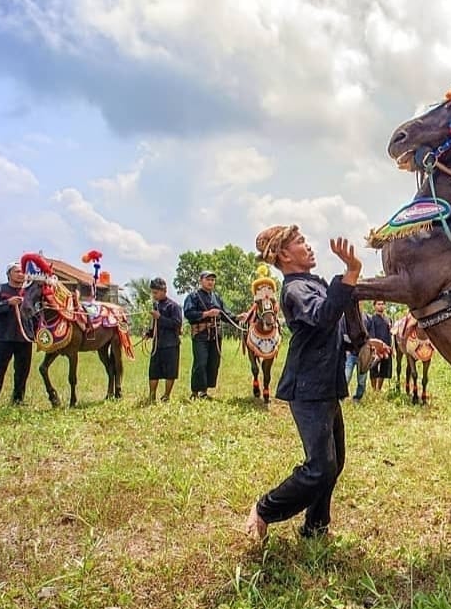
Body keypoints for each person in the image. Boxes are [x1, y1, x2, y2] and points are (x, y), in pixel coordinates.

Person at [244, 224, 369, 541]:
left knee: (333, 463)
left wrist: (360, 346)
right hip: (308, 388)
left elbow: (329, 330)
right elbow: (323, 316)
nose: (308, 246)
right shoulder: (295, 289)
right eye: (300, 242)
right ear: (284, 254)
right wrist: (351, 272)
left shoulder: (312, 285)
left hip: (324, 387)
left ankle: (315, 527)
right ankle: (264, 510)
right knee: (319, 468)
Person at [0, 262, 40, 407]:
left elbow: (36, 315)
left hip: (24, 338)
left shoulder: (29, 293)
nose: (21, 274)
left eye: (23, 272)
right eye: (17, 271)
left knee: (22, 373)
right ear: (9, 274)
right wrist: (8, 303)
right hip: (3, 337)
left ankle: (18, 401)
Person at [182, 270, 238, 399]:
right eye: (208, 279)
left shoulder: (216, 297)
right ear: (201, 280)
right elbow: (188, 313)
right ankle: (195, 392)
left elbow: (225, 314)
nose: (211, 282)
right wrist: (206, 314)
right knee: (200, 362)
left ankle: (204, 391)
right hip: (200, 334)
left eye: (213, 280)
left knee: (213, 363)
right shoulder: (193, 296)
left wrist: (238, 318)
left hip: (215, 335)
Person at [145, 277, 183, 403]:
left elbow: (176, 324)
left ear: (164, 291)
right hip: (158, 344)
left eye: (156, 292)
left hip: (171, 344)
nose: (154, 295)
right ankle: (151, 396)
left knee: (170, 372)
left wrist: (160, 317)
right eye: (153, 292)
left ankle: (166, 395)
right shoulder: (155, 306)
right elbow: (155, 324)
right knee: (153, 371)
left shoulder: (174, 306)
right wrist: (149, 333)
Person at [341, 309, 370, 402]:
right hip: (350, 352)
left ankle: (358, 397)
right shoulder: (344, 318)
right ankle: (341, 397)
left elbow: (371, 335)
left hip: (363, 353)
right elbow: (342, 334)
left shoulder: (367, 318)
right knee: (346, 376)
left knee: (362, 379)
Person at [366, 300, 393, 392]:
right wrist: (374, 347)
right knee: (373, 368)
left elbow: (390, 334)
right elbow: (371, 333)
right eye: (378, 304)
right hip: (376, 348)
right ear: (374, 306)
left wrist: (391, 347)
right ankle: (373, 389)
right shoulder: (372, 319)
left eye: (382, 304)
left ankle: (379, 389)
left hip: (386, 347)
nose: (381, 306)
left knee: (384, 368)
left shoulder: (388, 319)